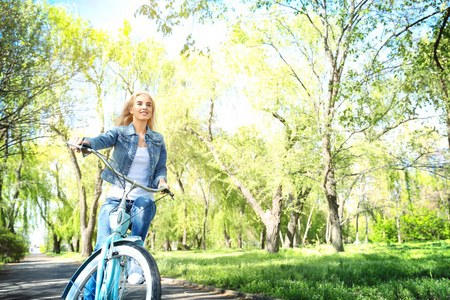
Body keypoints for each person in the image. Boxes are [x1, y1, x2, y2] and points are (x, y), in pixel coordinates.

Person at [68, 91, 169, 288]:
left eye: (149, 105)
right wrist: (84, 144)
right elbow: (99, 140)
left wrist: (162, 182)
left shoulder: (157, 139)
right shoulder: (120, 133)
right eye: (139, 103)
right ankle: (89, 296)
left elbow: (160, 168)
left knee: (145, 202)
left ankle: (135, 262)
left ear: (152, 110)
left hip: (143, 200)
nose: (144, 107)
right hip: (116, 199)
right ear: (131, 109)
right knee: (101, 250)